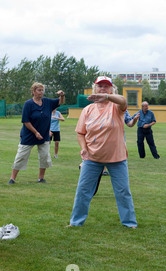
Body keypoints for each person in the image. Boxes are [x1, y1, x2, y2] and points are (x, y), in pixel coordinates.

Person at [68, 76, 137, 228]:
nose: (103, 88)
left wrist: (106, 97)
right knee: (83, 191)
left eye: (107, 86)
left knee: (123, 191)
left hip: (117, 158)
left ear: (112, 90)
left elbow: (123, 101)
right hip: (92, 158)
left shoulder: (116, 107)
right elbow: (80, 133)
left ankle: (129, 223)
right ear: (94, 89)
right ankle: (75, 222)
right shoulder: (88, 110)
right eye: (100, 86)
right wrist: (84, 149)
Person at [8, 82, 65, 184]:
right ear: (33, 92)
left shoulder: (47, 102)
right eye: (39, 90)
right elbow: (26, 121)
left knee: (44, 157)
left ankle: (41, 178)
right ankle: (12, 179)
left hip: (44, 136)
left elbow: (60, 102)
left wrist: (62, 95)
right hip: (29, 135)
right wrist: (35, 132)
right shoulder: (28, 104)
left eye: (42, 90)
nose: (41, 92)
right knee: (21, 156)